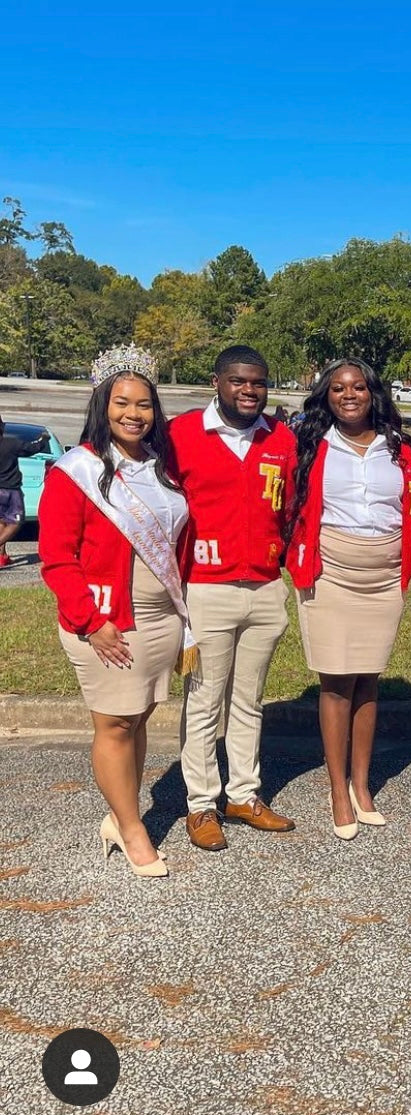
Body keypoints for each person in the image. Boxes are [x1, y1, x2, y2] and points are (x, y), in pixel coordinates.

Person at [39, 343, 193, 878]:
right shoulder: (74, 472)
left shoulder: (159, 467)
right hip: (105, 621)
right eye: (123, 403)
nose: (134, 414)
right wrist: (91, 622)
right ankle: (130, 829)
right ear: (103, 405)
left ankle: (120, 813)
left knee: (139, 717)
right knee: (113, 725)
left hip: (159, 617)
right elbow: (57, 559)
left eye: (145, 404)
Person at [286, 359, 411, 839]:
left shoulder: (400, 447)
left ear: (373, 392)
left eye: (359, 386)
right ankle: (337, 790)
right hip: (331, 569)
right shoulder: (309, 443)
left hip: (384, 574)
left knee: (369, 680)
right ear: (326, 395)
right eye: (339, 388)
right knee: (337, 681)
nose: (350, 394)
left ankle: (363, 784)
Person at [169, 345, 297, 852]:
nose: (249, 391)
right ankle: (200, 804)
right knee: (203, 701)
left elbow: (286, 509)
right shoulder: (180, 435)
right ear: (217, 382)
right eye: (239, 381)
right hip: (207, 586)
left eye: (258, 383)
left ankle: (243, 794)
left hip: (265, 586)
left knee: (249, 700)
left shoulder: (280, 437)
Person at [0, 413, 50, 567]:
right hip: (11, 489)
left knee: (2, 521)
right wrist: (44, 439)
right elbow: (32, 448)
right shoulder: (12, 442)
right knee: (16, 521)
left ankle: (2, 557)